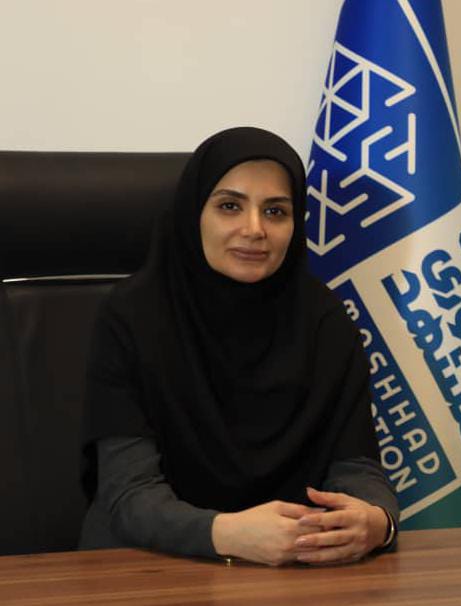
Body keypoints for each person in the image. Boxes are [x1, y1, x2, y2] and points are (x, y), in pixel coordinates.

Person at [79, 127, 399, 566]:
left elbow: (356, 466)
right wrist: (227, 533)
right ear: (194, 212)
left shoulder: (324, 320)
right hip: (146, 564)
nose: (254, 229)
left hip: (289, 567)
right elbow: (128, 495)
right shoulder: (133, 317)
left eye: (276, 211)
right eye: (230, 206)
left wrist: (377, 521)